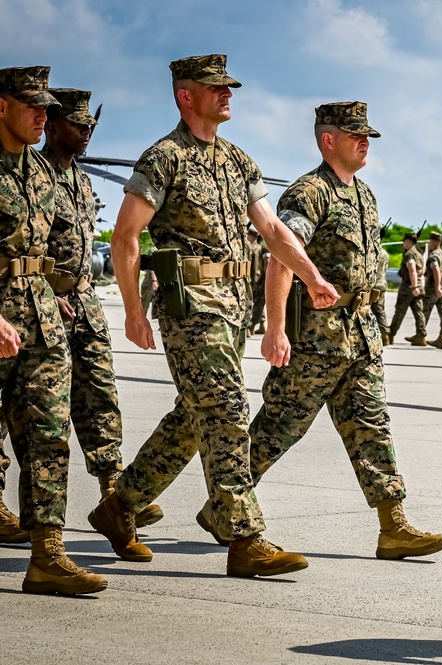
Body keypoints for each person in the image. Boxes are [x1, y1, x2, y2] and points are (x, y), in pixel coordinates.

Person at [89, 54, 338, 579]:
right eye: (216, 87)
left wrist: (312, 277)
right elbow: (126, 235)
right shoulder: (164, 158)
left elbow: (273, 231)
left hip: (231, 305)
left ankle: (119, 506)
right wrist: (134, 310)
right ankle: (245, 539)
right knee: (225, 412)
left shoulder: (238, 160)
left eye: (229, 87)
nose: (228, 94)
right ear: (186, 95)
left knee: (191, 420)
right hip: (190, 308)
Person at [195, 101, 442, 561]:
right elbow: (281, 256)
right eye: (356, 134)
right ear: (328, 139)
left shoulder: (364, 195)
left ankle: (393, 527)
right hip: (317, 341)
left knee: (372, 426)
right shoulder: (309, 193)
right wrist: (275, 328)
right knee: (278, 429)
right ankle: (224, 508)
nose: (365, 141)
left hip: (361, 338)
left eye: (368, 134)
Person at [0, 65, 106, 594]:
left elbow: (45, 251)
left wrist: (58, 297)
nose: (43, 115)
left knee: (48, 438)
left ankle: (47, 555)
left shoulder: (42, 175)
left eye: (46, 106)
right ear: (2, 107)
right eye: (31, 106)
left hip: (41, 321)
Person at [40, 87, 164, 527]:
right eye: (78, 124)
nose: (87, 131)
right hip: (37, 306)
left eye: (91, 125)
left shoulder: (83, 181)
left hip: (83, 303)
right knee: (26, 412)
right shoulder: (29, 176)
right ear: (51, 126)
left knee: (100, 396)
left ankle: (115, 491)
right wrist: (42, 289)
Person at [388, 232, 427, 345]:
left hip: (408, 288)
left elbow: (412, 270)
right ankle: (421, 335)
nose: (403, 244)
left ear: (408, 242)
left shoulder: (409, 254)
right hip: (419, 287)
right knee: (418, 312)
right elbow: (422, 270)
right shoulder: (419, 254)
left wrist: (413, 286)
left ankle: (391, 334)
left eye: (404, 241)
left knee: (399, 312)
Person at [422, 231, 442, 337]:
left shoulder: (434, 255)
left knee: (424, 311)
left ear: (434, 241)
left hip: (434, 288)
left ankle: (420, 334)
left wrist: (437, 286)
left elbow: (436, 270)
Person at [247, 225, 267, 334]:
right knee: (259, 302)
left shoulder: (249, 248)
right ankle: (262, 324)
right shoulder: (261, 248)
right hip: (260, 279)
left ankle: (249, 327)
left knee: (249, 303)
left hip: (250, 279)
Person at [372, 242, 390, 345]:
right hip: (382, 282)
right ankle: (385, 333)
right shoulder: (385, 253)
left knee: (376, 310)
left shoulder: (375, 251)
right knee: (380, 310)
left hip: (374, 284)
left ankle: (384, 334)